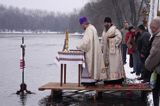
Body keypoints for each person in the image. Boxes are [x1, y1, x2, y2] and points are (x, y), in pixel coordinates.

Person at [76, 16, 106, 85]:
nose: (81, 27)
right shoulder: (92, 28)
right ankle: (92, 79)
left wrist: (78, 46)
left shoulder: (88, 30)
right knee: (93, 65)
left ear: (83, 23)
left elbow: (86, 43)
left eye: (81, 25)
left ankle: (89, 81)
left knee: (88, 65)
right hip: (94, 50)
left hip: (91, 52)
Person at [101, 17, 125, 84]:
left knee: (114, 66)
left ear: (110, 23)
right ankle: (108, 79)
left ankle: (116, 79)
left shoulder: (115, 30)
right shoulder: (104, 32)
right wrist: (101, 49)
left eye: (107, 22)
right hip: (106, 52)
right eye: (105, 22)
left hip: (114, 53)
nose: (106, 24)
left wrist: (111, 40)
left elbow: (119, 38)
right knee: (107, 66)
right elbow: (102, 41)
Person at [145, 17, 160, 106]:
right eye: (151, 27)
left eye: (153, 27)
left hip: (158, 69)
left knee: (156, 90)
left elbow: (155, 54)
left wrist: (147, 65)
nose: (151, 29)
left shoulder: (158, 37)